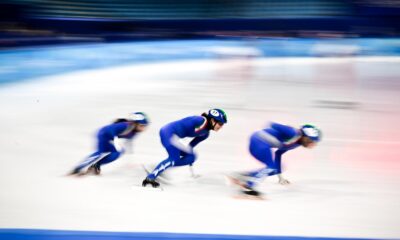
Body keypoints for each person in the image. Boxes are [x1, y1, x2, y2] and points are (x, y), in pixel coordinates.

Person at [229, 122, 321, 197]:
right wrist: (286, 128)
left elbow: (278, 153)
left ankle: (241, 176)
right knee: (271, 166)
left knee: (276, 168)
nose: (312, 145)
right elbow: (272, 124)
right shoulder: (293, 133)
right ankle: (248, 187)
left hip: (262, 143)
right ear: (304, 136)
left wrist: (280, 178)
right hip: (258, 140)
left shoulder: (297, 143)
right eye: (311, 141)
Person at [142, 108, 227, 188]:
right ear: (212, 120)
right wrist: (180, 146)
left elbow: (190, 146)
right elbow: (187, 124)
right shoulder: (200, 120)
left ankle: (159, 168)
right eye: (220, 124)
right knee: (174, 158)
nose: (221, 127)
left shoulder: (205, 134)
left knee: (191, 157)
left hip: (175, 138)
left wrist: (188, 157)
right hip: (168, 132)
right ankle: (150, 177)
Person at [70, 112, 149, 176]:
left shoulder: (135, 132)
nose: (143, 128)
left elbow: (129, 143)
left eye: (145, 126)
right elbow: (111, 130)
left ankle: (96, 165)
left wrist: (131, 157)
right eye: (142, 125)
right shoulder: (125, 125)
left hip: (110, 138)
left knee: (118, 152)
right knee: (100, 153)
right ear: (134, 123)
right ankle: (77, 168)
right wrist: (115, 140)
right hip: (103, 134)